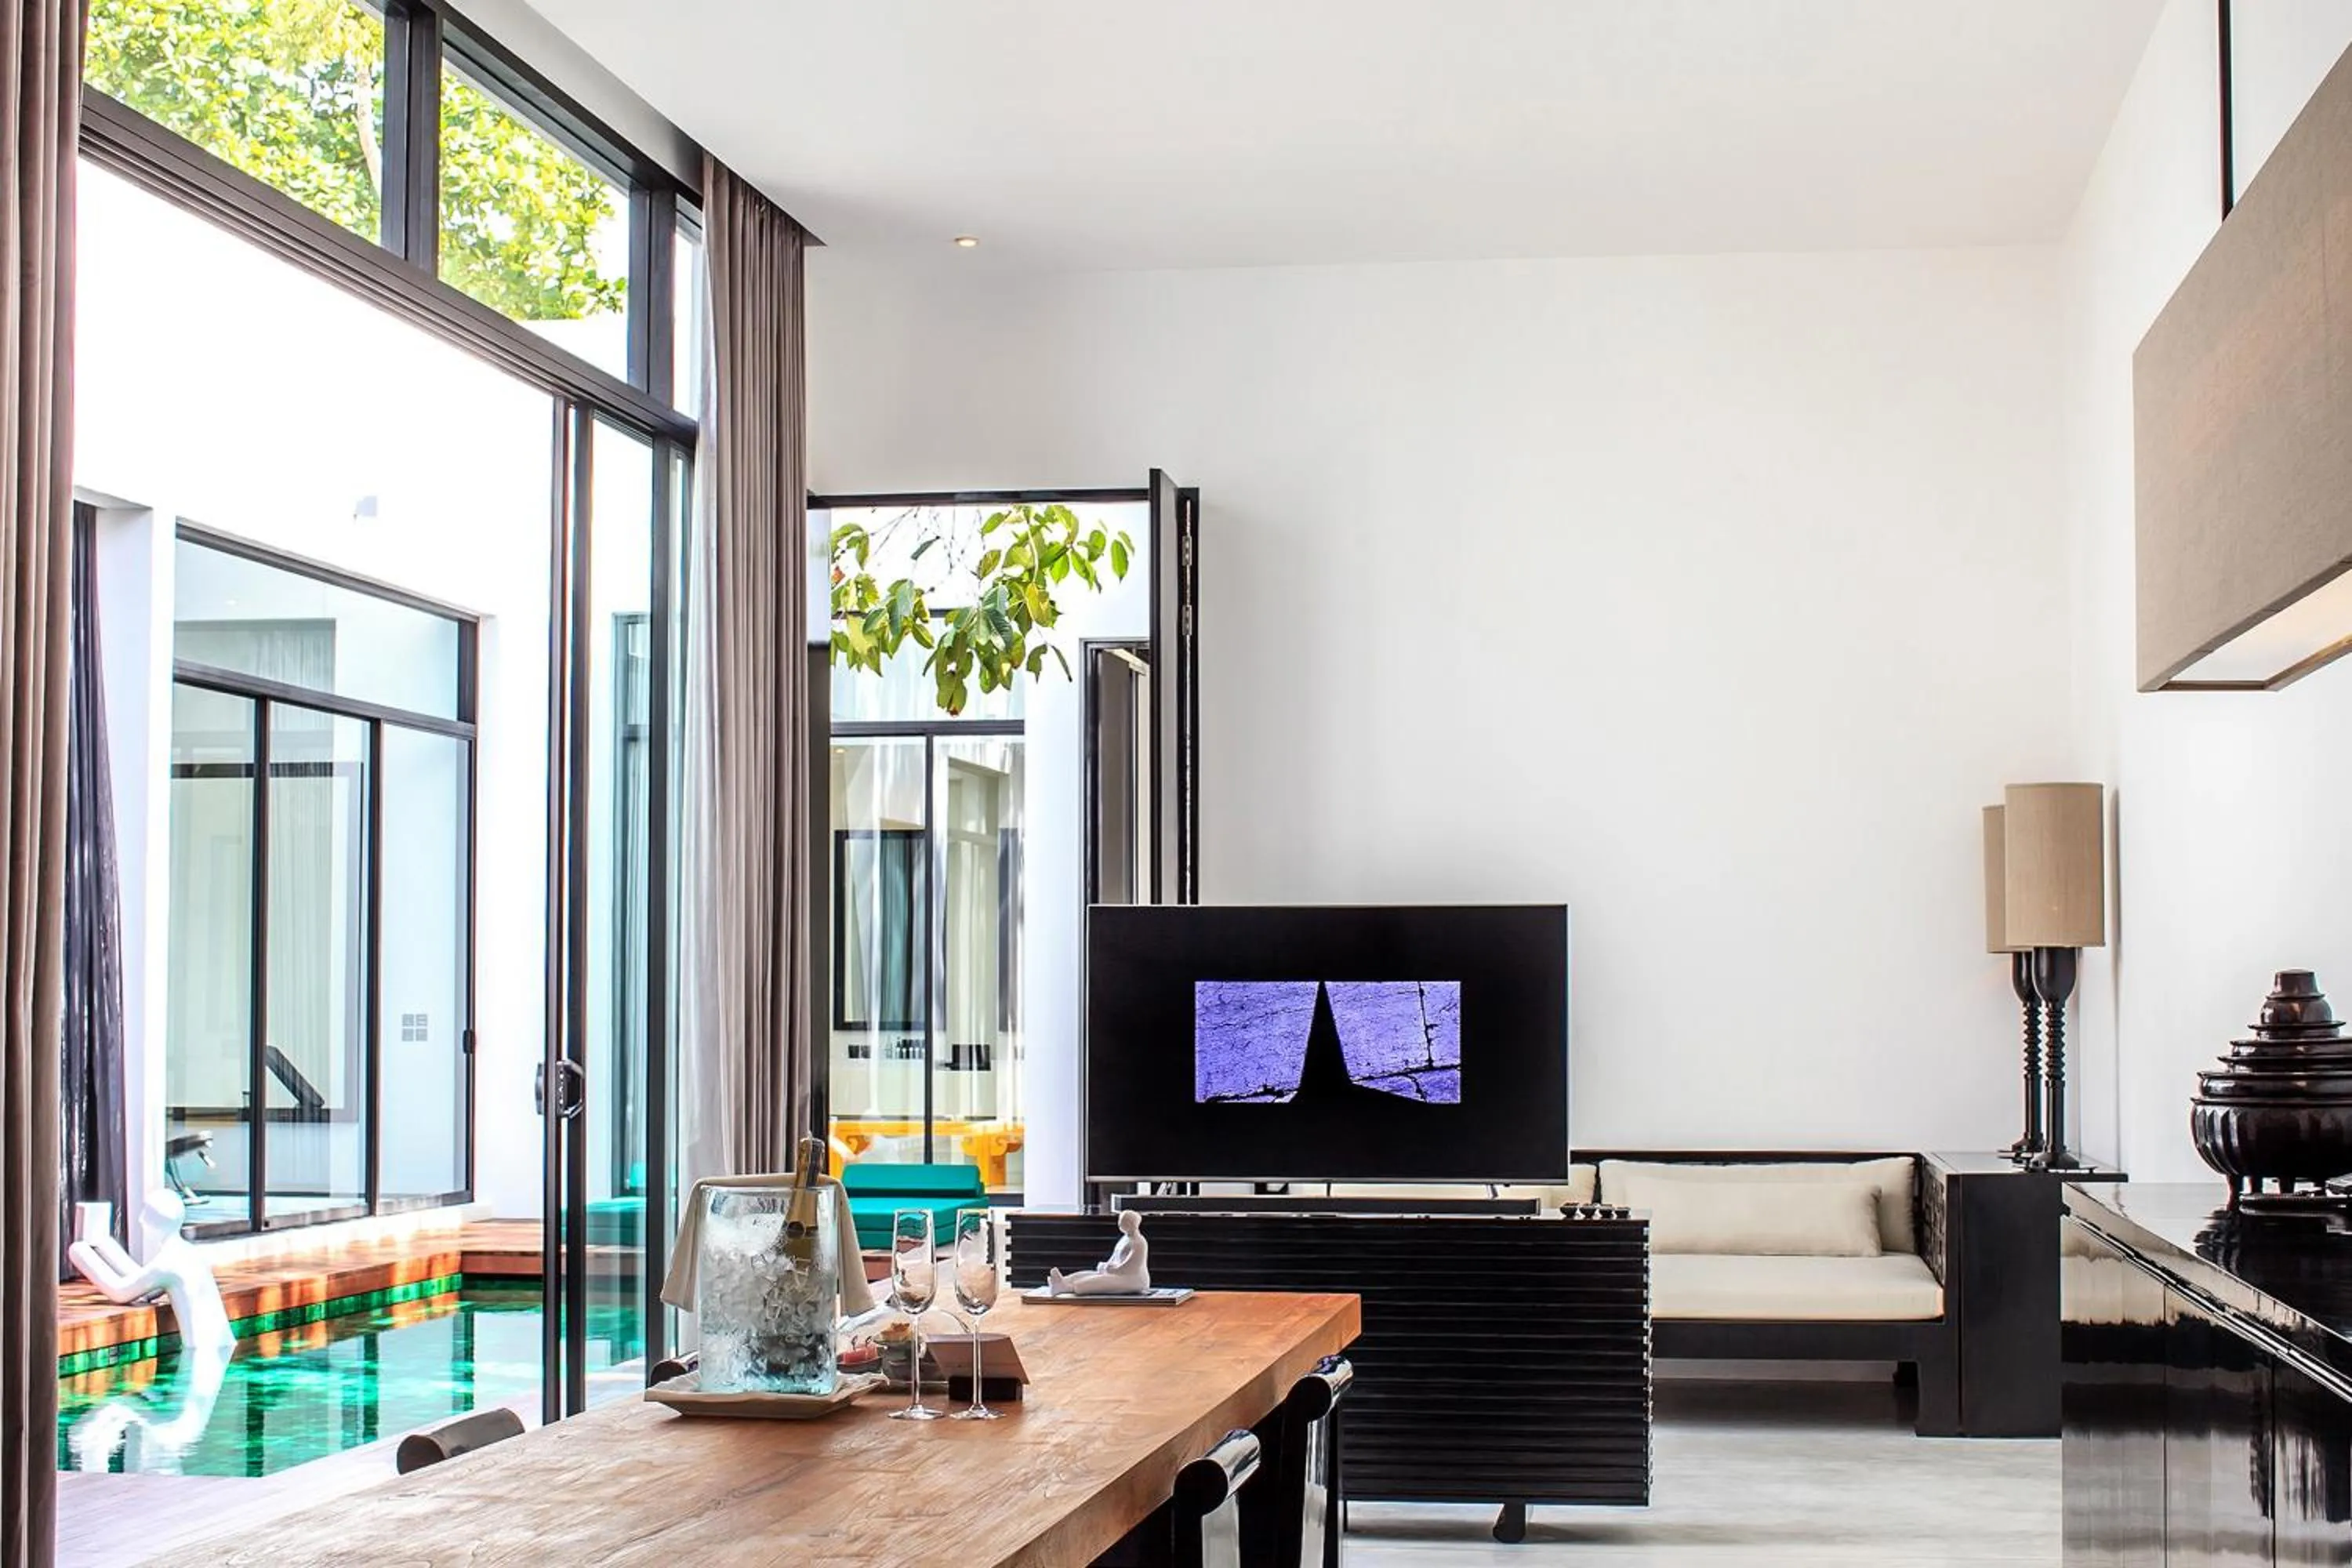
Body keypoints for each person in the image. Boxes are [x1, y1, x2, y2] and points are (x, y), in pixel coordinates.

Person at [1047, 1208, 1152, 1296]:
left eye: (1123, 1222)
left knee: (1098, 1281)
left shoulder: (1139, 1243)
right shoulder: (1125, 1239)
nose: (1120, 1224)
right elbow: (1115, 1258)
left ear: (1132, 1223)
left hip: (1132, 1279)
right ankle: (1064, 1281)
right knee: (1089, 1274)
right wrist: (1106, 1266)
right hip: (1118, 1273)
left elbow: (1132, 1266)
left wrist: (1113, 1269)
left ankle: (1067, 1287)